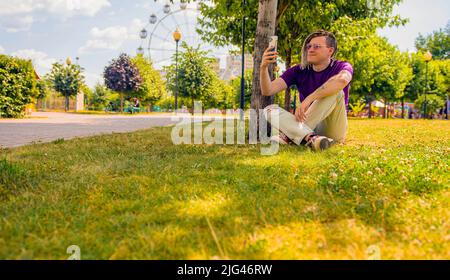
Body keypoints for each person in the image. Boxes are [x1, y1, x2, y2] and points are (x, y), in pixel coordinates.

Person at [260, 30, 353, 151]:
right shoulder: (299, 70)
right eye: (309, 46)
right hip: (308, 124)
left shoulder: (342, 66)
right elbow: (268, 90)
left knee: (336, 91)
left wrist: (309, 98)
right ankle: (311, 138)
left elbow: (342, 80)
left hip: (331, 127)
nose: (310, 49)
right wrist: (263, 67)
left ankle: (292, 135)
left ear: (330, 50)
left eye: (316, 46)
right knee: (269, 110)